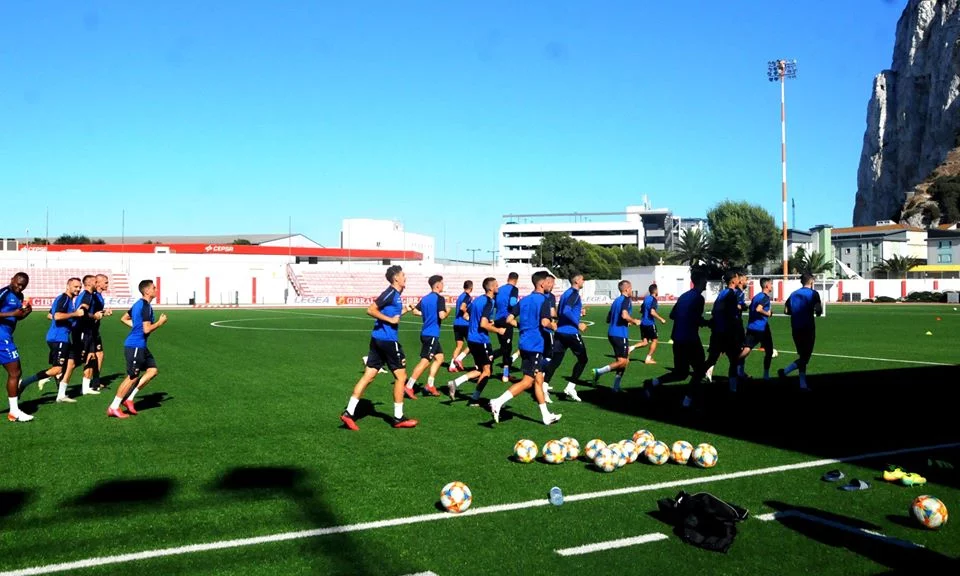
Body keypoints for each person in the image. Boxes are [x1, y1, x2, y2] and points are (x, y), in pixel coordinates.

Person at [340, 265, 418, 430]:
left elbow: (392, 315)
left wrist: (405, 310)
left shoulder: (396, 295)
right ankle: (398, 418)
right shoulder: (390, 293)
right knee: (401, 377)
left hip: (378, 340)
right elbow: (370, 310)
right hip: (388, 341)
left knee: (368, 376)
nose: (406, 277)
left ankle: (348, 412)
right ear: (396, 278)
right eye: (403, 275)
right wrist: (390, 321)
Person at [488, 271, 562, 426]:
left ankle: (546, 415)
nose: (550, 285)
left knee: (539, 379)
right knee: (528, 381)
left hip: (524, 343)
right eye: (549, 282)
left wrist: (523, 327)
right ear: (542, 284)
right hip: (535, 344)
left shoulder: (525, 300)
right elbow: (543, 322)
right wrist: (553, 325)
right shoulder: (544, 300)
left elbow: (509, 319)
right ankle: (497, 402)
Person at [643, 272, 709, 407]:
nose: (706, 282)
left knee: (681, 373)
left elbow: (672, 314)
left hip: (677, 338)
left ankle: (652, 383)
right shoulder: (698, 298)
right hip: (690, 339)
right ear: (701, 281)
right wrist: (708, 323)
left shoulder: (684, 296)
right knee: (699, 370)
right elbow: (696, 319)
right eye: (705, 279)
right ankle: (688, 401)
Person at [107, 279, 167, 418]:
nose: (155, 289)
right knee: (132, 377)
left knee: (152, 371)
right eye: (153, 287)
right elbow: (146, 330)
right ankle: (114, 407)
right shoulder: (144, 306)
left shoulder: (138, 304)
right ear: (147, 291)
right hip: (135, 345)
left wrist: (136, 327)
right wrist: (160, 323)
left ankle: (129, 399)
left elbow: (124, 318)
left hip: (140, 346)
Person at [18, 278, 84, 403]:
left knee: (72, 363)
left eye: (80, 287)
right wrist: (75, 314)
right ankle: (24, 383)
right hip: (58, 338)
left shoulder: (67, 300)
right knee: (57, 369)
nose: (78, 289)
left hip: (62, 337)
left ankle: (61, 395)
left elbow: (50, 315)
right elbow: (57, 316)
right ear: (68, 286)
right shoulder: (64, 298)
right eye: (75, 286)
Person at [446, 277, 506, 406]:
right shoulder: (489, 302)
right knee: (487, 371)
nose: (498, 287)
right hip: (481, 340)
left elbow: (466, 314)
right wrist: (498, 330)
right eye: (496, 285)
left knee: (481, 369)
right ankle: (474, 399)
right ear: (490, 288)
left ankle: (455, 383)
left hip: (472, 339)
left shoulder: (477, 300)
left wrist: (477, 323)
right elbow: (483, 324)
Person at [544, 272, 588, 402]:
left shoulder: (566, 294)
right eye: (582, 280)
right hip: (570, 333)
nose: (583, 282)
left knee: (556, 360)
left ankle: (544, 386)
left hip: (560, 331)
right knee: (583, 359)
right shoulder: (574, 293)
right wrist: (578, 323)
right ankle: (571, 387)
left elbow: (561, 312)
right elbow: (566, 311)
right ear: (577, 281)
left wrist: (579, 313)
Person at [592, 280, 642, 392]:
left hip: (612, 333)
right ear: (626, 289)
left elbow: (608, 319)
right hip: (620, 334)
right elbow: (624, 315)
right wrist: (634, 321)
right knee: (622, 361)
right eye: (630, 288)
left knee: (624, 360)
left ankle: (616, 386)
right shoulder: (626, 300)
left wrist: (624, 321)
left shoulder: (616, 301)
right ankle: (598, 372)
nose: (631, 290)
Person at [404, 275, 447, 398]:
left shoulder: (425, 298)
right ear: (438, 285)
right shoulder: (439, 298)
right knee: (425, 361)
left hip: (426, 333)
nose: (443, 286)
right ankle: (409, 386)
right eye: (442, 284)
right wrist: (447, 311)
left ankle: (430, 385)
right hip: (432, 334)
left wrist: (427, 314)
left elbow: (415, 311)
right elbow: (442, 316)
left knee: (440, 358)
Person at [779, 272, 822, 390]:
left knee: (803, 355)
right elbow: (818, 311)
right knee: (805, 357)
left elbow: (786, 311)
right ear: (812, 281)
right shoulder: (814, 294)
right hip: (808, 328)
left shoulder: (793, 294)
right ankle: (786, 372)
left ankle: (801, 383)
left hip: (796, 327)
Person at [1, 273, 35, 422]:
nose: (19, 287)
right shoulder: (4, 293)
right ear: (12, 280)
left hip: (5, 336)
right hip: (2, 338)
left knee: (15, 372)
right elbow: (10, 314)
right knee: (15, 372)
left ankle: (14, 410)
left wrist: (25, 313)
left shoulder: (20, 296)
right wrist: (12, 313)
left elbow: (16, 317)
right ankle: (14, 411)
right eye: (18, 283)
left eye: (23, 285)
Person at [61, 275, 102, 396]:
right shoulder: (86, 296)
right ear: (89, 283)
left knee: (91, 357)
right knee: (74, 362)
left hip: (88, 331)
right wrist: (94, 316)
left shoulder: (90, 295)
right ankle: (58, 377)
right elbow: (82, 312)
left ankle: (85, 388)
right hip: (82, 331)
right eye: (96, 282)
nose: (98, 284)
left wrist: (101, 314)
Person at [703, 271, 744, 392]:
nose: (739, 280)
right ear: (733, 280)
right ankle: (733, 388)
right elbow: (731, 315)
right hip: (727, 332)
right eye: (737, 278)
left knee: (712, 359)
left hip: (718, 331)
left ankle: (698, 375)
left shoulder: (722, 294)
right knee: (734, 360)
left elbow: (716, 311)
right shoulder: (731, 295)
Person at [740, 277, 775, 380]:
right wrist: (767, 314)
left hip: (751, 327)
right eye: (771, 284)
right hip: (762, 329)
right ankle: (766, 375)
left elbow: (752, 308)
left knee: (746, 350)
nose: (771, 286)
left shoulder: (755, 297)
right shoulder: (765, 297)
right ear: (767, 286)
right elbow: (758, 309)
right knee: (769, 351)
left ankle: (735, 365)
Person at [627, 284, 667, 364]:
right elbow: (652, 312)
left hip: (643, 323)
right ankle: (648, 359)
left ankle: (630, 348)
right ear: (655, 291)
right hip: (649, 323)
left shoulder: (646, 298)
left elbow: (640, 310)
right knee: (655, 340)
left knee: (645, 342)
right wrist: (661, 319)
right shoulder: (653, 300)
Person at [493, 272, 520, 382]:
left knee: (503, 346)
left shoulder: (499, 289)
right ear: (516, 280)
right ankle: (505, 374)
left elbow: (494, 303)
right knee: (506, 348)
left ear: (508, 278)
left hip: (498, 319)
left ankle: (487, 359)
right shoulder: (514, 289)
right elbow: (512, 303)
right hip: (506, 320)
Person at [91, 274, 114, 390]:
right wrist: (103, 313)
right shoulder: (93, 296)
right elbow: (91, 313)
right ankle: (56, 372)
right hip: (89, 331)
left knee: (99, 355)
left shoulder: (99, 296)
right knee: (83, 358)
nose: (107, 284)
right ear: (98, 283)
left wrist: (104, 312)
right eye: (105, 282)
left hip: (95, 330)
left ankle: (95, 381)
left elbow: (97, 312)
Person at [538, 273, 558, 402]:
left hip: (539, 330)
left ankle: (541, 380)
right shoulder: (547, 297)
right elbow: (552, 313)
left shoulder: (541, 295)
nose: (553, 286)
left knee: (544, 355)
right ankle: (542, 384)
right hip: (546, 329)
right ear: (547, 282)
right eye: (552, 283)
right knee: (550, 357)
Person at [448, 280, 473, 373]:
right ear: (471, 288)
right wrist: (467, 315)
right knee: (472, 345)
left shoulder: (460, 296)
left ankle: (452, 365)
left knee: (459, 345)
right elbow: (462, 307)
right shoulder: (467, 297)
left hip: (457, 324)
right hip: (464, 324)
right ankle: (459, 359)